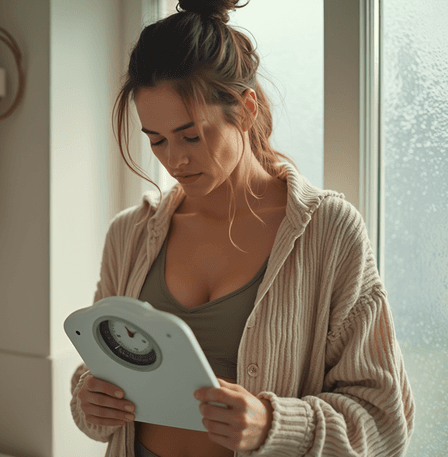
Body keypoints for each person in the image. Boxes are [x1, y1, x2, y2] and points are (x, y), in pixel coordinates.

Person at [69, 1, 415, 456]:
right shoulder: (128, 236)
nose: (174, 160)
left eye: (191, 135)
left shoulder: (328, 232)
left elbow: (385, 420)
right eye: (156, 140)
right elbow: (99, 373)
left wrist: (272, 424)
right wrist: (89, 399)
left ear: (246, 110)